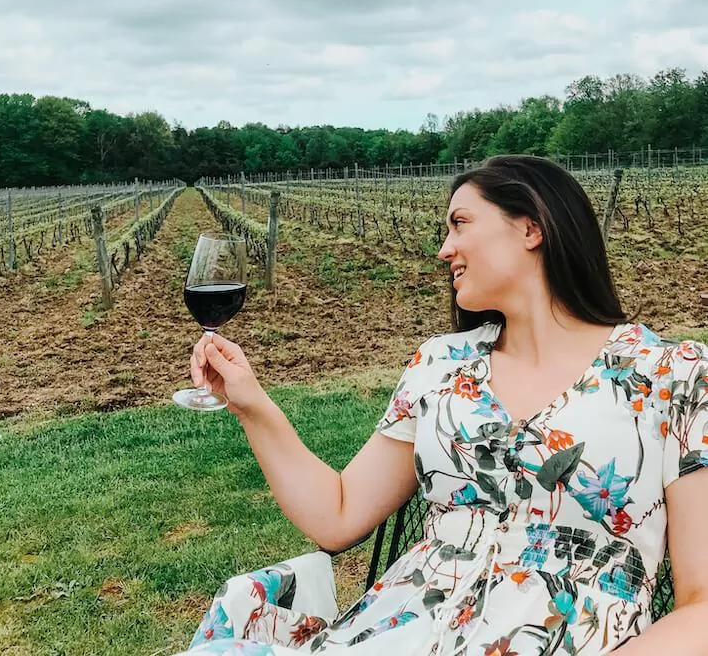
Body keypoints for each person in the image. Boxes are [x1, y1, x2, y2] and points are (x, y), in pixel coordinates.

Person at [174, 155, 708, 655]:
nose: (443, 249)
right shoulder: (440, 365)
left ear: (531, 228)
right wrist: (251, 404)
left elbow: (702, 604)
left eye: (460, 223)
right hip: (405, 629)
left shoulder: (672, 376)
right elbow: (336, 515)